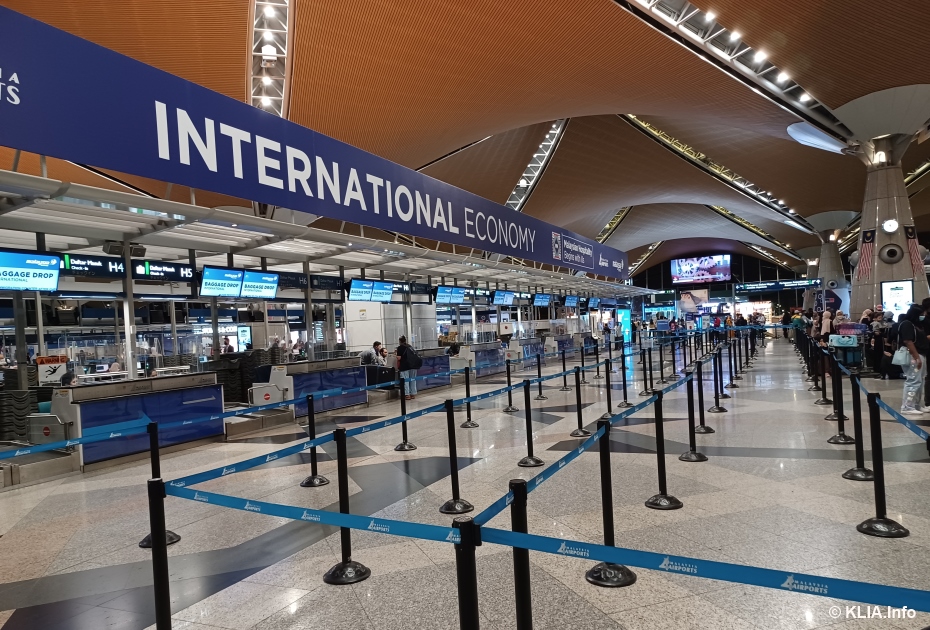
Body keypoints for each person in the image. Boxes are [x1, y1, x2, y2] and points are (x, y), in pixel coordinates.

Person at [897, 305, 929, 414]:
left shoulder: (917, 325)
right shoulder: (907, 324)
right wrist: (916, 357)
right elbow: (908, 341)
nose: (923, 316)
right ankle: (907, 406)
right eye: (921, 314)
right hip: (913, 355)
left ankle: (917, 404)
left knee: (920, 380)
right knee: (913, 380)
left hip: (921, 354)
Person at [396, 335, 418, 400]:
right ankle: (413, 394)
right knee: (412, 380)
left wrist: (395, 355)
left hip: (405, 366)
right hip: (413, 366)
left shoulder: (400, 348)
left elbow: (399, 358)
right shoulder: (410, 347)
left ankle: (407, 395)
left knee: (405, 380)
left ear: (400, 341)